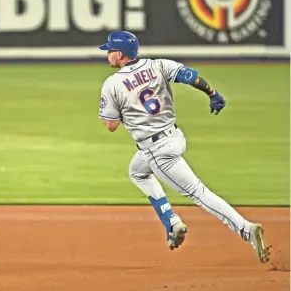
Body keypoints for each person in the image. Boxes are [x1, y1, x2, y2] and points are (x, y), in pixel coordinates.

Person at [97, 30, 271, 263]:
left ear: (119, 54)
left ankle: (245, 228)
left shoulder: (113, 83)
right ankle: (172, 222)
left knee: (198, 192)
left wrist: (116, 111)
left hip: (157, 151)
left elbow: (111, 125)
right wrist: (212, 92)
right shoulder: (158, 65)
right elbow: (189, 75)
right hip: (175, 137)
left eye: (109, 50)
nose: (107, 53)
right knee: (137, 171)